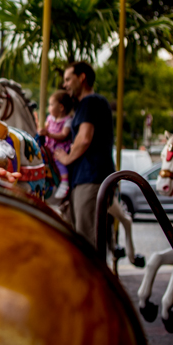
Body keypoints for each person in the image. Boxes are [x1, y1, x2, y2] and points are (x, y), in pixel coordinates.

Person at [53, 61, 115, 247]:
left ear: (82, 78)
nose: (65, 85)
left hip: (91, 177)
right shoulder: (85, 105)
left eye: (68, 79)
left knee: (87, 238)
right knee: (81, 235)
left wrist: (65, 158)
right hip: (84, 177)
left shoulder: (90, 102)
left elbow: (84, 138)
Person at [38, 89, 74, 200]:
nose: (49, 107)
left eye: (51, 104)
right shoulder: (50, 118)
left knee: (59, 162)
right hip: (49, 147)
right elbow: (43, 128)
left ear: (61, 107)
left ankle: (64, 182)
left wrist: (49, 134)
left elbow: (64, 134)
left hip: (59, 148)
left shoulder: (67, 120)